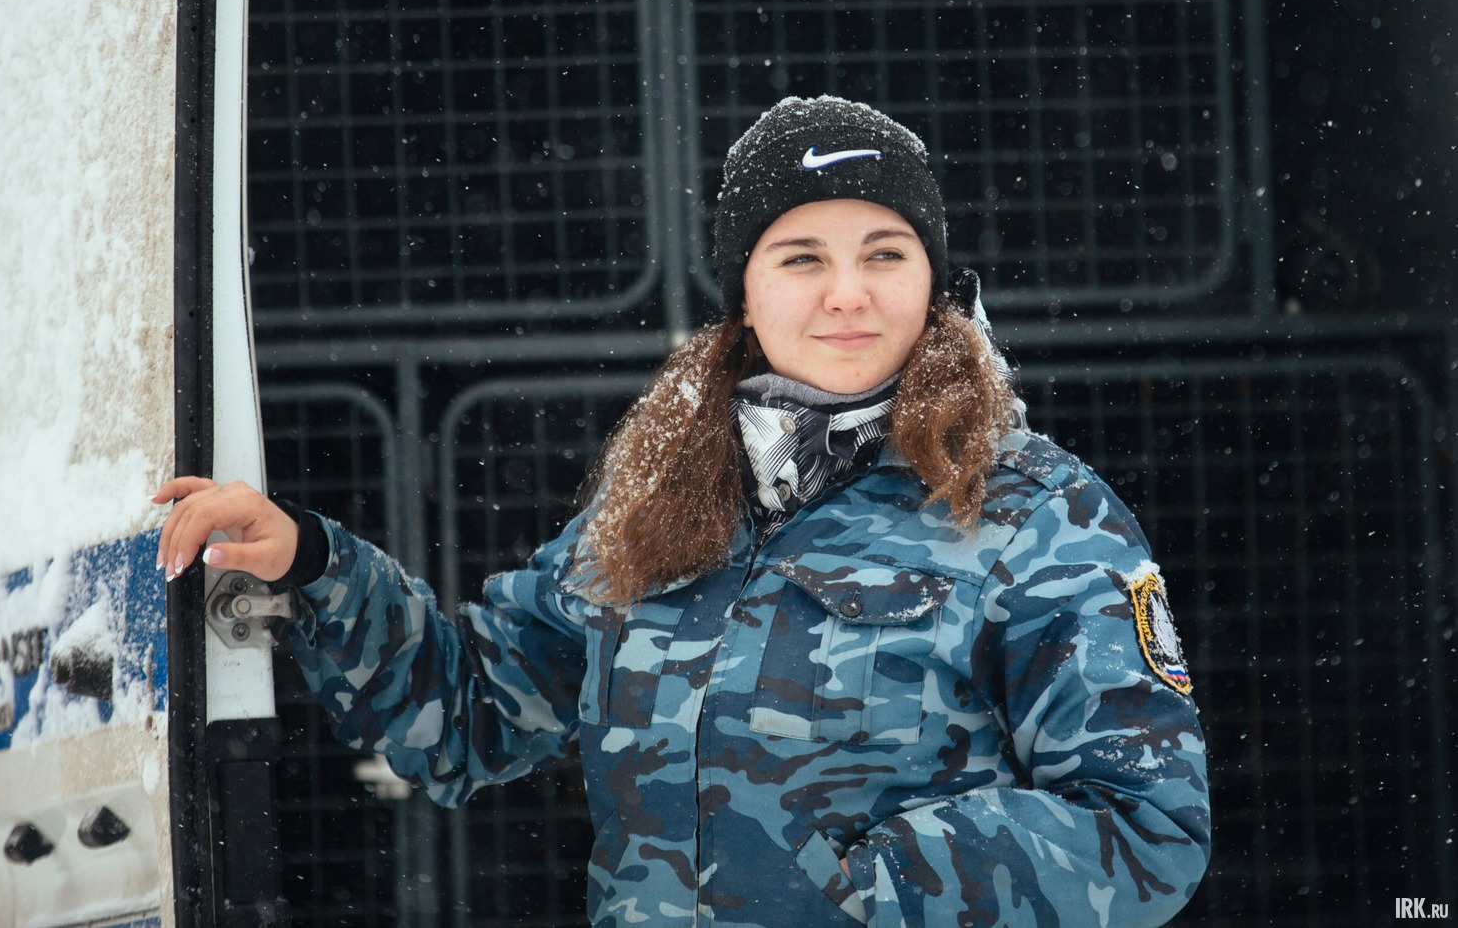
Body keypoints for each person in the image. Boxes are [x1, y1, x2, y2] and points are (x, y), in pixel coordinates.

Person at [155, 96, 1210, 927]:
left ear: (932, 278)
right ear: (744, 290)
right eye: (802, 257)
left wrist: (868, 893)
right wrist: (315, 566)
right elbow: (467, 719)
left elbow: (1144, 831)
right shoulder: (659, 503)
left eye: (885, 252)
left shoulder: (1032, 511)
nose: (847, 293)